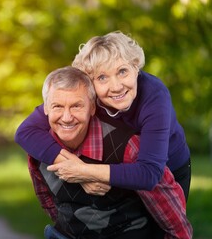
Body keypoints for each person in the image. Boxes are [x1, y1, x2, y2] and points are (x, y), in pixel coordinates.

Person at [15, 31, 191, 203]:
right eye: (102, 77)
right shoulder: (88, 95)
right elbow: (25, 132)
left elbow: (149, 174)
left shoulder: (154, 95)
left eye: (122, 71)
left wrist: (85, 172)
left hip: (168, 170)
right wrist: (78, 169)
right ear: (90, 82)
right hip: (115, 170)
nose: (115, 87)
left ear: (136, 67)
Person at [26, 66, 192, 239]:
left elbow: (171, 216)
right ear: (45, 109)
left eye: (76, 106)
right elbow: (47, 200)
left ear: (92, 108)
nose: (67, 117)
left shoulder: (127, 146)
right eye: (57, 106)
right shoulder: (38, 148)